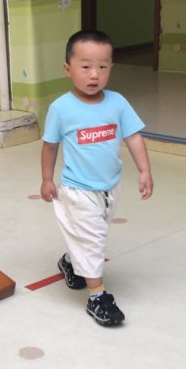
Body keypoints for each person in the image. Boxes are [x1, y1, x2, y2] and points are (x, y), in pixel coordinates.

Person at [40, 29, 153, 326]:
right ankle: (97, 297)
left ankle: (70, 261)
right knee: (93, 241)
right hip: (77, 190)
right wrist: (47, 179)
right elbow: (50, 145)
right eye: (86, 66)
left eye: (103, 66)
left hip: (109, 187)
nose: (95, 74)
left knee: (92, 235)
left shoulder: (117, 103)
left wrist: (144, 170)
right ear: (68, 69)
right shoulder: (61, 108)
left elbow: (134, 137)